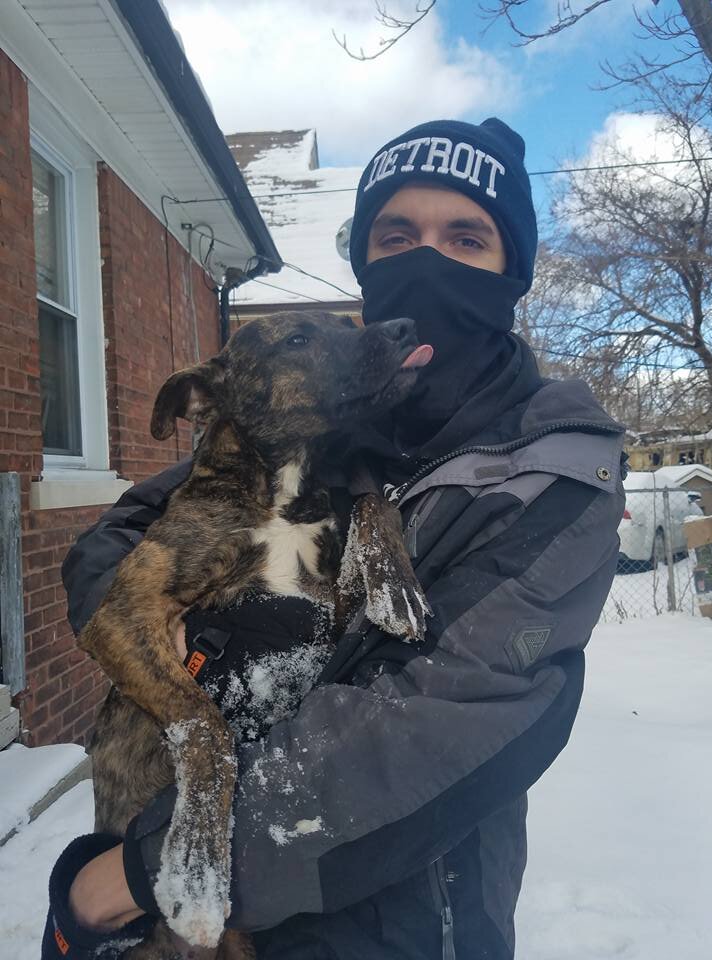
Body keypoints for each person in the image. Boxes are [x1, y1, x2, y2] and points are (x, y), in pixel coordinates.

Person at [43, 118, 626, 960]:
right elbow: (135, 525)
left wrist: (131, 878)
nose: (427, 261)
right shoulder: (319, 422)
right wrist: (127, 600)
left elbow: (428, 731)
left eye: (467, 237)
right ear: (366, 265)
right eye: (398, 236)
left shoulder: (554, 471)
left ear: (513, 272)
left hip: (394, 929)